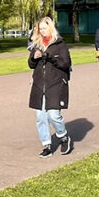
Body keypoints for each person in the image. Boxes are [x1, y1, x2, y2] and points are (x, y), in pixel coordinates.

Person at [27, 16, 73, 158]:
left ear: (50, 28)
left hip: (56, 83)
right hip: (39, 84)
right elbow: (31, 65)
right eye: (40, 29)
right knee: (41, 116)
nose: (42, 31)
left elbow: (65, 64)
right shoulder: (37, 44)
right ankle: (46, 145)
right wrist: (34, 57)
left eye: (45, 28)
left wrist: (50, 57)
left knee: (53, 115)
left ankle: (63, 137)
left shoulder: (60, 44)